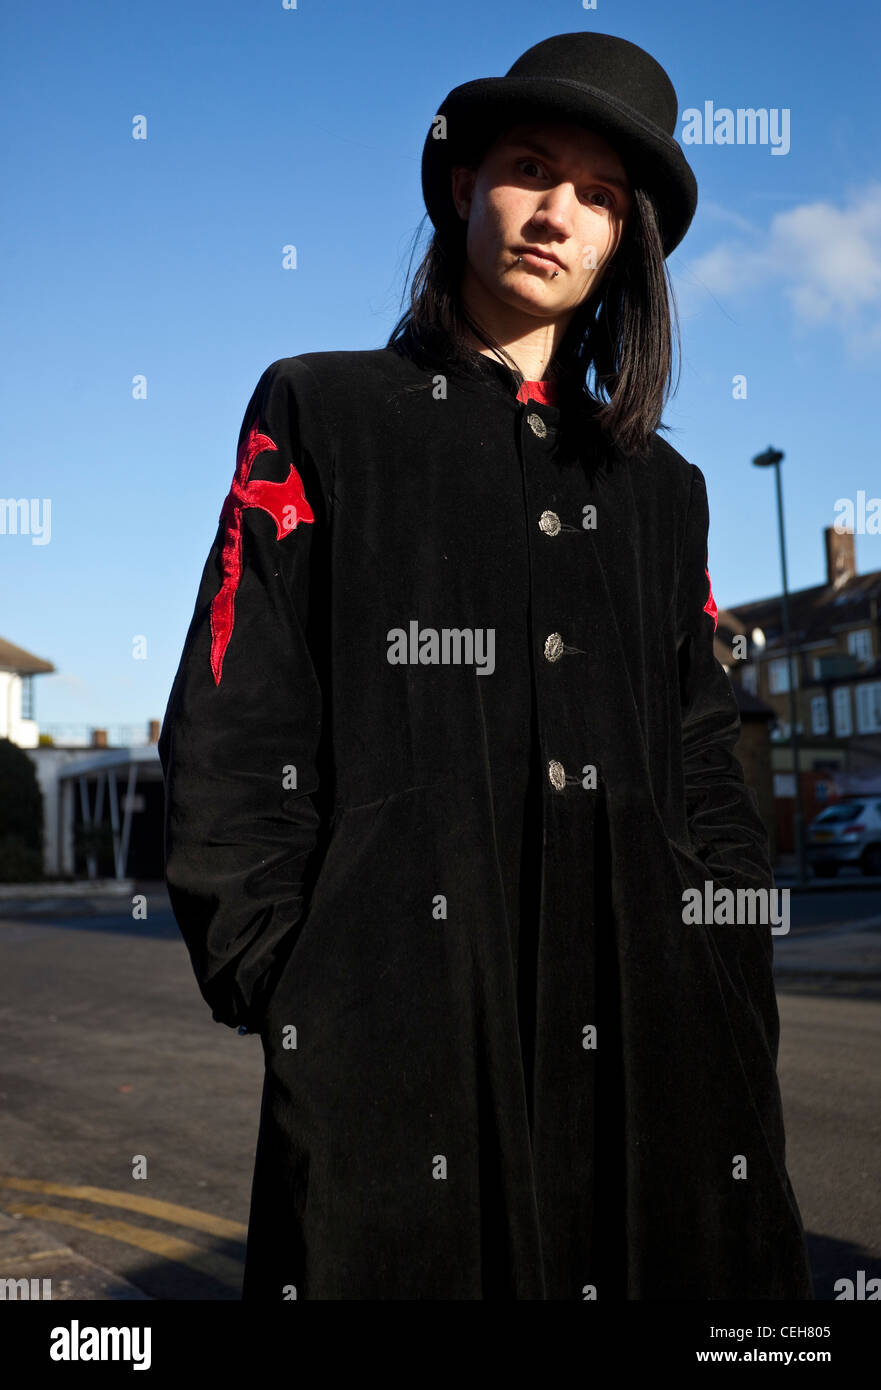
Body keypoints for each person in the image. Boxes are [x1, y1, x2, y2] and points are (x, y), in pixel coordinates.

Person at [158, 31, 814, 1300]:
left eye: (599, 195)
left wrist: (728, 961)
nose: (555, 212)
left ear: (626, 242)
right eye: (528, 168)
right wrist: (291, 975)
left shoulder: (659, 490)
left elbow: (702, 748)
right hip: (400, 1031)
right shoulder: (322, 410)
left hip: (657, 1031)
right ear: (464, 186)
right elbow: (237, 708)